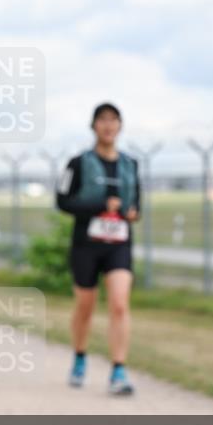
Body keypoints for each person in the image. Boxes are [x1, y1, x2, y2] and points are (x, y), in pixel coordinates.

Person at [56, 103, 141, 396]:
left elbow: (136, 204)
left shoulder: (130, 164)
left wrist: (132, 213)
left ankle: (118, 369)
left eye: (113, 120)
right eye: (102, 120)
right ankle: (80, 356)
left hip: (118, 244)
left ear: (120, 126)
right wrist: (100, 206)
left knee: (119, 303)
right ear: (93, 126)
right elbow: (63, 201)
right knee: (86, 306)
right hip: (86, 246)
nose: (108, 125)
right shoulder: (77, 163)